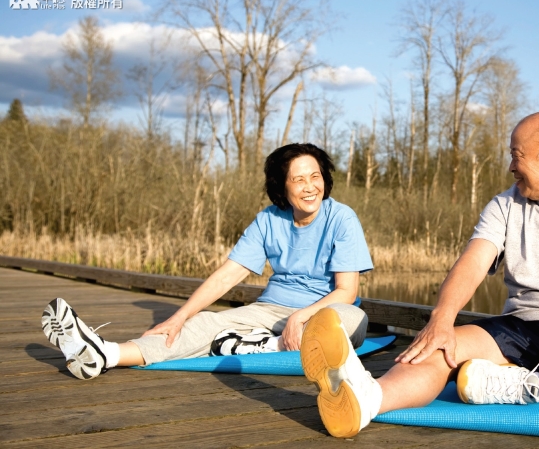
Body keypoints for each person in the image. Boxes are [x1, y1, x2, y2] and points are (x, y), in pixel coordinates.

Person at [299, 111, 539, 438]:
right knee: (438, 347)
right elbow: (471, 263)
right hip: (521, 326)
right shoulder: (506, 203)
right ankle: (367, 398)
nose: (510, 165)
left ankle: (520, 386)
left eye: (516, 154)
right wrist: (441, 321)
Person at [42, 143, 373, 380]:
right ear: (281, 187)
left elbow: (346, 291)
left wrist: (300, 317)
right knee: (200, 326)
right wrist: (180, 316)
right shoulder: (269, 219)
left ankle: (260, 344)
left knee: (346, 323)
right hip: (271, 310)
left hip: (326, 311)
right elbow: (226, 276)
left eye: (315, 176)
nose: (310, 186)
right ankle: (105, 354)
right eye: (299, 179)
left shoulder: (341, 218)